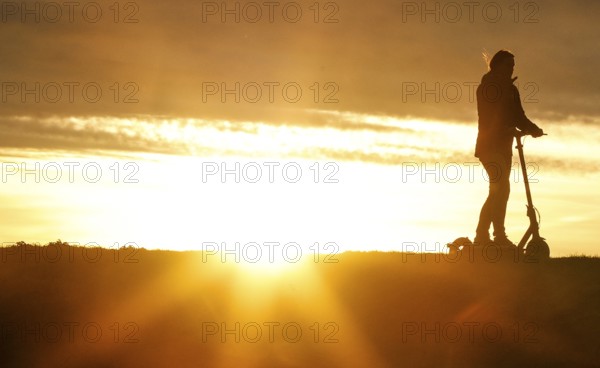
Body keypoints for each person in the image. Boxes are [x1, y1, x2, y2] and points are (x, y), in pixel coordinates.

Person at [474, 50, 544, 247]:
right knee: (501, 188)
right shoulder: (487, 87)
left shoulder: (512, 90)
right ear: (497, 66)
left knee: (498, 191)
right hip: (489, 146)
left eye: (513, 65)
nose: (512, 68)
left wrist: (533, 129)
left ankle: (482, 235)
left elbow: (518, 116)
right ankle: (498, 236)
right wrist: (505, 129)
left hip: (504, 146)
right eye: (508, 65)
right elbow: (488, 116)